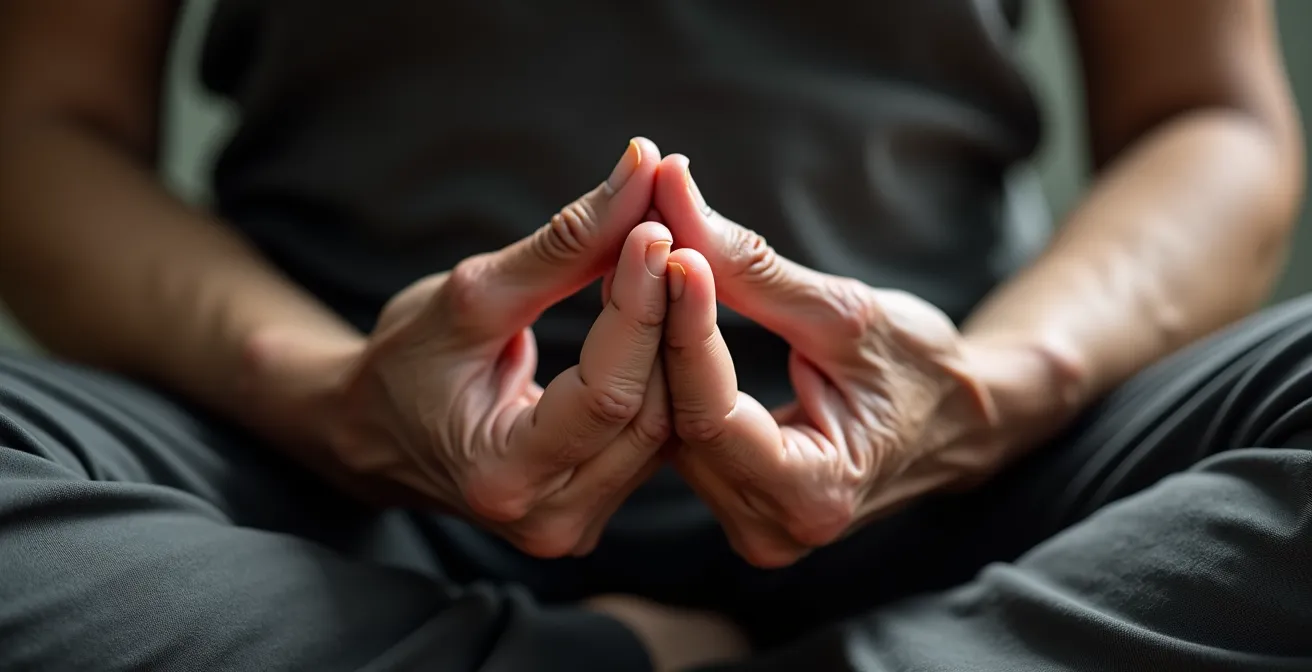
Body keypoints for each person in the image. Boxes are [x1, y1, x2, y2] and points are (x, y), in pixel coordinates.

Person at [0, 0, 1308, 669]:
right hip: (334, 500)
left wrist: (996, 389)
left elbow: (1211, 117)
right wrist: (332, 397)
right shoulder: (333, 433)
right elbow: (41, 126)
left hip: (961, 486)